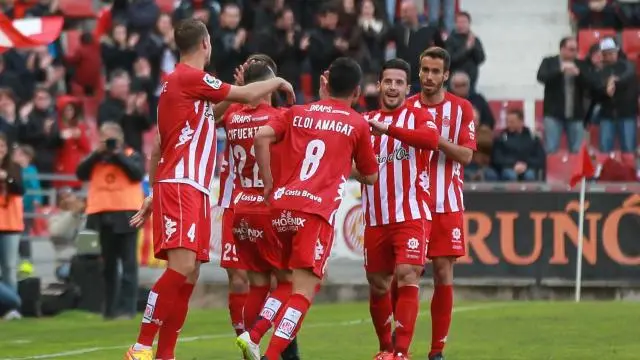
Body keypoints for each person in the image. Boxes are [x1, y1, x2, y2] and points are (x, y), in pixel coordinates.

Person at [125, 18, 295, 360]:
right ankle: (142, 345)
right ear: (206, 43)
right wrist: (277, 80)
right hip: (182, 185)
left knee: (189, 275)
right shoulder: (189, 77)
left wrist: (153, 191)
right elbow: (247, 94)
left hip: (194, 189)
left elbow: (204, 118)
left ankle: (166, 354)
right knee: (180, 268)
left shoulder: (187, 87)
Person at [236, 57, 379, 360]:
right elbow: (371, 175)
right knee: (304, 292)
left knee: (287, 283)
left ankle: (255, 333)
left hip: (281, 207)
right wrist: (346, 167)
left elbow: (262, 137)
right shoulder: (356, 123)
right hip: (314, 212)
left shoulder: (297, 112)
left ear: (327, 83)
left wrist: (267, 182)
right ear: (356, 92)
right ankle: (271, 356)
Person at [363, 58, 440, 360]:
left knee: (408, 273)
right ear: (379, 85)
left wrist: (389, 130)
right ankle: (385, 348)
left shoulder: (419, 116)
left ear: (408, 88)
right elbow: (353, 163)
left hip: (411, 213)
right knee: (379, 283)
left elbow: (432, 141)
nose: (393, 87)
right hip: (376, 216)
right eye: (388, 82)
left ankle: (401, 353)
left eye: (399, 83)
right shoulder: (365, 120)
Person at [406, 47, 476, 360]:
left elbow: (466, 155)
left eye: (436, 72)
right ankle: (398, 348)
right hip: (409, 204)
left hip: (446, 203)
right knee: (406, 273)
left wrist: (436, 142)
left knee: (443, 274)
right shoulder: (406, 107)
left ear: (445, 75)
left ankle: (437, 351)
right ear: (418, 72)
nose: (429, 77)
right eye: (425, 70)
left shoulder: (462, 109)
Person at [76, 122, 145, 320]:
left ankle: (127, 309)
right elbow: (80, 173)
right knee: (108, 266)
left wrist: (117, 154)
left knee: (129, 265)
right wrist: (98, 153)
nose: (106, 142)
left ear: (120, 139)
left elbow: (136, 174)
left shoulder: (131, 154)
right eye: (103, 138)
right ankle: (109, 310)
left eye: (110, 138)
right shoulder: (96, 158)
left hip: (127, 215)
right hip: (102, 215)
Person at [0, 132, 24, 319]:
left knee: (9, 267)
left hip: (11, 223)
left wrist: (6, 178)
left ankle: (11, 307)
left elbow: (20, 189)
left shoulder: (15, 168)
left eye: (2, 146)